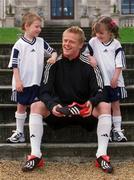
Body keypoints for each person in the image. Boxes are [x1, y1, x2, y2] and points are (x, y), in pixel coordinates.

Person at [22, 26, 113, 173]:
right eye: (65, 40)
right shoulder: (53, 63)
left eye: (71, 42)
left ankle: (102, 155)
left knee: (104, 106)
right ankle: (35, 155)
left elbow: (100, 91)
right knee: (36, 106)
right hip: (59, 111)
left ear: (80, 45)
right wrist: (53, 106)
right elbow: (43, 91)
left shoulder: (90, 64)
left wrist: (91, 103)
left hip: (84, 111)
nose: (66, 44)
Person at [7, 12, 57, 143]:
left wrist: (53, 57)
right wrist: (18, 81)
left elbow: (53, 51)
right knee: (21, 106)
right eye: (37, 26)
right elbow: (14, 65)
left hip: (37, 82)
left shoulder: (41, 42)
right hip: (23, 82)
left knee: (35, 107)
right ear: (27, 26)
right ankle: (20, 132)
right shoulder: (19, 45)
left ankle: (35, 133)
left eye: (40, 27)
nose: (39, 29)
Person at [83, 16, 127, 142]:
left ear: (110, 32)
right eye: (96, 32)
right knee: (104, 106)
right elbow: (84, 55)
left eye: (101, 33)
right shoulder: (93, 42)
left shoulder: (116, 44)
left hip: (114, 81)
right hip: (100, 82)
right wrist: (91, 59)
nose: (98, 35)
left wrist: (115, 78)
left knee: (115, 106)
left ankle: (117, 131)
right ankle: (105, 131)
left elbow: (120, 64)